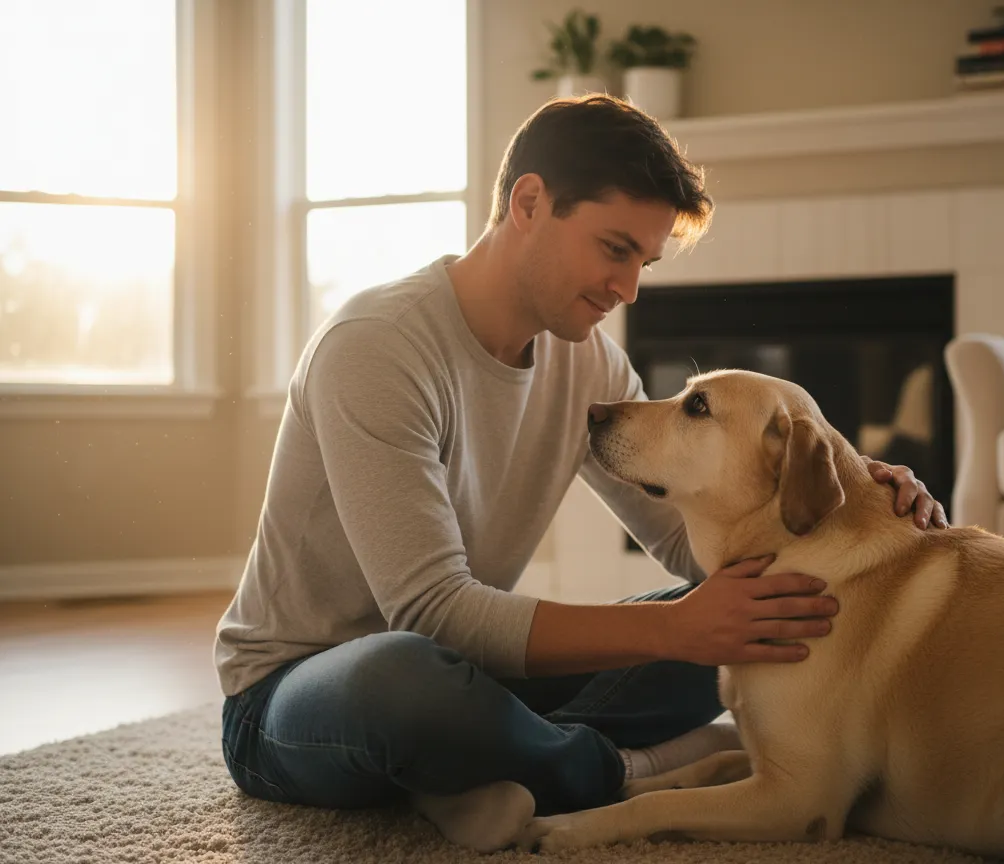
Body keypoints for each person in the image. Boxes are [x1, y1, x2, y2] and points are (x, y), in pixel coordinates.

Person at [215, 94, 948, 853]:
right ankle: (619, 772)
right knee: (403, 677)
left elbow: (690, 537)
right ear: (529, 202)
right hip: (301, 696)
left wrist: (848, 497)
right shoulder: (378, 348)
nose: (627, 288)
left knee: (763, 607)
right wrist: (674, 630)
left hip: (474, 676)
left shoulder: (585, 359)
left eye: (643, 262)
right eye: (614, 248)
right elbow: (431, 611)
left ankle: (480, 772)